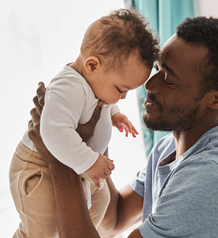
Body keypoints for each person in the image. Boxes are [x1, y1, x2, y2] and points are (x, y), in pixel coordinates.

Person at [28, 16, 218, 237]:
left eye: (169, 78)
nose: (150, 85)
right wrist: (87, 131)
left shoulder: (214, 178)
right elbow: (114, 218)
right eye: (157, 69)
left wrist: (59, 158)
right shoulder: (169, 148)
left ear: (217, 98)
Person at [9, 9, 159, 238]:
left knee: (101, 202)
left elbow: (99, 103)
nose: (123, 97)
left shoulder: (94, 82)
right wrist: (89, 161)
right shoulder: (69, 86)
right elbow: (51, 131)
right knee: (43, 228)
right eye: (121, 90)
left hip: (74, 164)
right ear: (91, 66)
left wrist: (113, 113)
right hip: (38, 166)